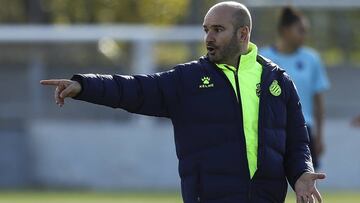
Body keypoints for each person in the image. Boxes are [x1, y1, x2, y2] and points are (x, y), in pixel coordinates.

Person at [41, 2, 325, 203]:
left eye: (218, 29)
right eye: (206, 29)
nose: (208, 38)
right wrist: (84, 86)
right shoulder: (187, 80)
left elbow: (296, 142)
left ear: (243, 34)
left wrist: (302, 174)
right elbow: (133, 89)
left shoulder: (277, 81)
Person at [260, 7, 330, 170]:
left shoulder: (311, 59)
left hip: (304, 129)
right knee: (271, 182)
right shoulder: (263, 58)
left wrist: (319, 136)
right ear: (285, 30)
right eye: (300, 30)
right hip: (272, 129)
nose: (304, 35)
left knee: (309, 181)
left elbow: (318, 101)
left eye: (306, 31)